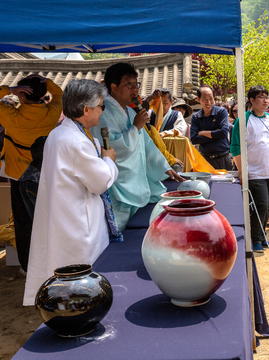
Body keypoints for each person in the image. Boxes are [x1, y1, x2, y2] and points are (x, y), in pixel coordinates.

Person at [23, 79, 120, 306]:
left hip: (64, 212)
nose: (101, 112)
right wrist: (109, 160)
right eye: (101, 107)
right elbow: (100, 181)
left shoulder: (59, 134)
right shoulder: (76, 141)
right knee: (80, 283)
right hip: (76, 219)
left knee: (62, 272)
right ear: (86, 110)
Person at [91, 63, 179, 231]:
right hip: (118, 184)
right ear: (114, 87)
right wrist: (136, 127)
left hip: (134, 179)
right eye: (129, 84)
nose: (135, 89)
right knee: (118, 229)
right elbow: (111, 149)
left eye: (136, 84)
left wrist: (163, 166)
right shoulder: (103, 114)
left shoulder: (130, 112)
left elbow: (146, 144)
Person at [0, 74, 62, 271]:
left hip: (18, 175)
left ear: (23, 96)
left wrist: (10, 89)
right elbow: (60, 95)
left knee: (24, 222)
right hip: (45, 174)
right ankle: (53, 262)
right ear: (44, 94)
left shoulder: (11, 116)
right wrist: (47, 83)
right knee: (48, 219)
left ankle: (29, 267)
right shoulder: (52, 112)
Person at [230, 85, 269, 252]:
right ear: (251, 100)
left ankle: (263, 236)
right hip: (254, 171)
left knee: (267, 207)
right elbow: (235, 146)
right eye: (261, 97)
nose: (266, 100)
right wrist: (242, 171)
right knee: (260, 205)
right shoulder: (243, 120)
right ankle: (254, 239)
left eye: (267, 97)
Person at [190, 85, 233, 170]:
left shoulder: (221, 112)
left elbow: (223, 133)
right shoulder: (196, 116)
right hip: (205, 159)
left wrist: (202, 133)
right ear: (198, 100)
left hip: (222, 158)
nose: (208, 102)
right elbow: (194, 139)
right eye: (204, 99)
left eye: (211, 98)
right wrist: (215, 134)